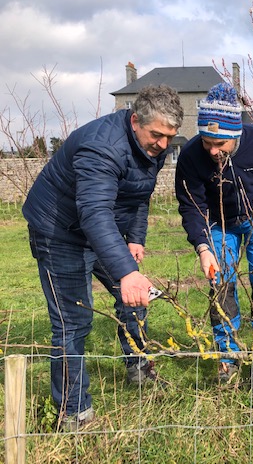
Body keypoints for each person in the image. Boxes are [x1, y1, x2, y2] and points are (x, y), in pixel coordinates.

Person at [23, 85, 184, 429]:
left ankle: (138, 367)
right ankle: (73, 413)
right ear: (135, 119)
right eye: (157, 135)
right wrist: (126, 272)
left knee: (137, 299)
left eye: (170, 137)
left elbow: (140, 196)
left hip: (100, 229)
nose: (162, 145)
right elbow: (93, 211)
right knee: (73, 322)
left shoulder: (149, 149)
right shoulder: (103, 146)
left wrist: (135, 240)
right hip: (60, 230)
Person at [175, 82, 253, 390]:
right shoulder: (191, 155)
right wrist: (203, 248)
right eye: (207, 143)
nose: (213, 150)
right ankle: (227, 359)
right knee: (221, 286)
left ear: (236, 134)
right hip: (218, 225)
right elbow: (191, 205)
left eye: (220, 143)